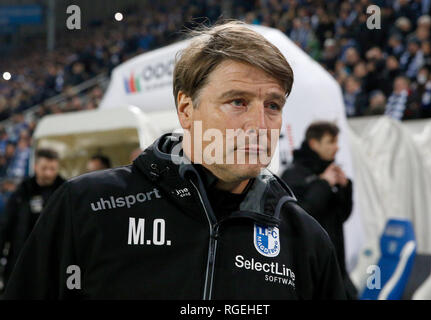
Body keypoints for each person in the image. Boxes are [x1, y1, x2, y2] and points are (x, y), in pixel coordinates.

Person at [3, 21, 346, 300]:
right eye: (238, 101)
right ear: (186, 109)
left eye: (273, 105)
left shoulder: (306, 240)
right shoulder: (88, 207)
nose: (259, 125)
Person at [281, 121, 357, 300]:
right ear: (314, 143)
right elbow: (302, 215)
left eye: (337, 142)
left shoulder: (330, 171)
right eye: (331, 142)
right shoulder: (293, 174)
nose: (337, 148)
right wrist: (323, 184)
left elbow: (342, 216)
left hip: (336, 267)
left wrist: (346, 187)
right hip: (307, 273)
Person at [0, 148, 65, 288]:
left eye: (52, 169)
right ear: (35, 166)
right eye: (44, 168)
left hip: (54, 263)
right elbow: (5, 226)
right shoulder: (22, 192)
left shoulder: (65, 192)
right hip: (21, 260)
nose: (48, 173)